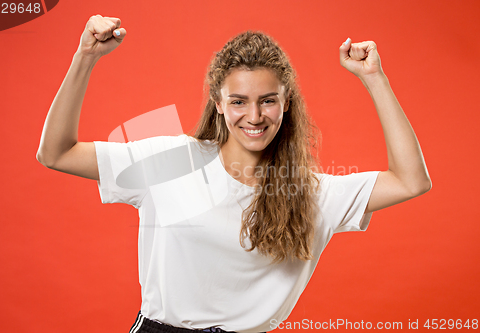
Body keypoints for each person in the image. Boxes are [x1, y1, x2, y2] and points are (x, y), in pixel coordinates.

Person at [36, 14, 431, 333]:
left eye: (268, 101)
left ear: (286, 102)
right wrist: (85, 57)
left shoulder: (310, 191)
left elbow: (411, 181)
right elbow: (57, 153)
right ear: (218, 102)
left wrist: (374, 77)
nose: (255, 116)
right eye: (239, 101)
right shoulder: (173, 159)